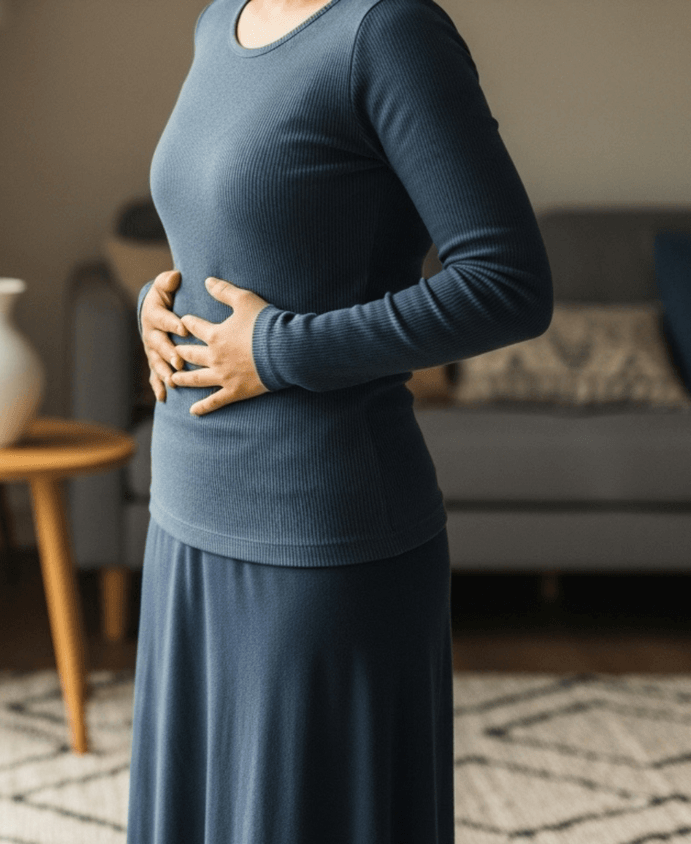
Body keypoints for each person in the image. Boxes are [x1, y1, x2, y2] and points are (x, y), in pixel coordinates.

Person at [126, 0, 552, 841]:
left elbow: (509, 282)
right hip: (185, 524)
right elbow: (226, 233)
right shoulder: (223, 21)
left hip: (318, 543)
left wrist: (281, 350)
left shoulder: (388, 32)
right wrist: (155, 302)